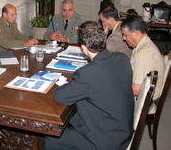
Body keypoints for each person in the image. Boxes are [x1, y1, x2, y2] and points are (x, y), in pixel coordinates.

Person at [44, 21, 134, 150]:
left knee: (50, 138)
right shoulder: (122, 58)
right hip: (123, 129)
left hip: (107, 141)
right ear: (104, 38)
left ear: (84, 48)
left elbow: (60, 96)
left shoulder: (88, 74)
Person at [121, 15, 164, 99]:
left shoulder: (143, 53)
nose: (124, 38)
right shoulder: (143, 45)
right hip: (143, 96)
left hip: (142, 100)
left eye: (125, 35)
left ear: (136, 33)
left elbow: (137, 89)